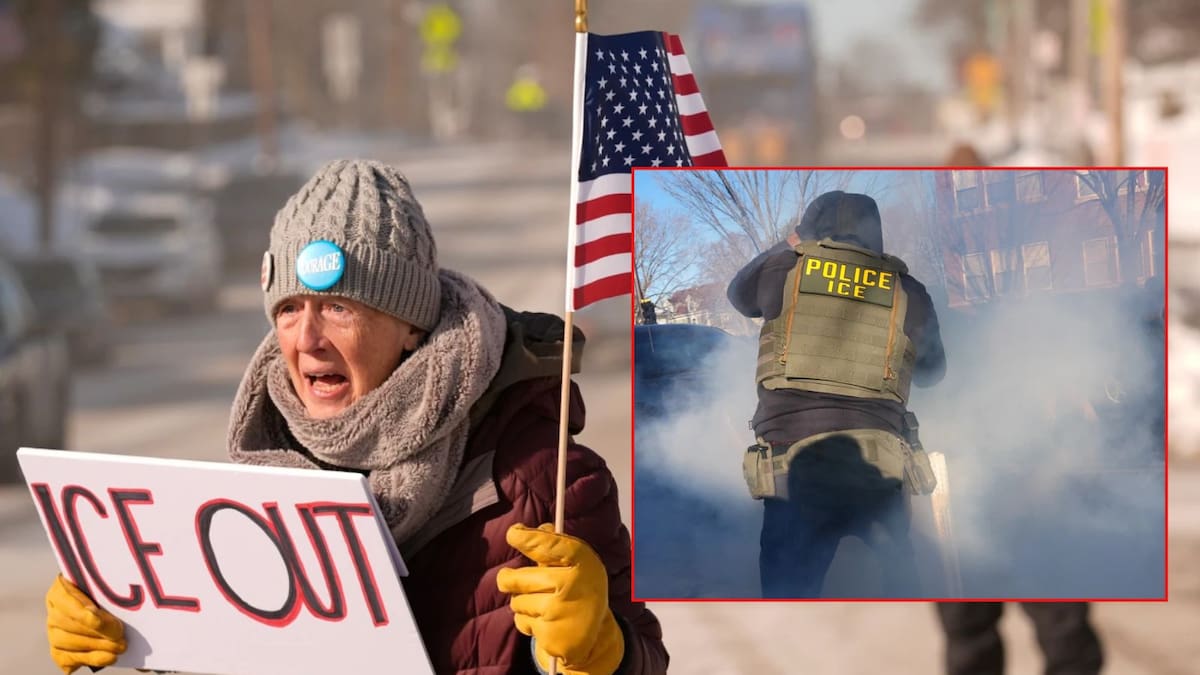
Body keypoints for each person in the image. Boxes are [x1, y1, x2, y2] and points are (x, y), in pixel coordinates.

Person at [41, 159, 668, 675]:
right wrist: (131, 639)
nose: (307, 338)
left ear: (409, 326)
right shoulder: (248, 489)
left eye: (339, 307)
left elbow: (642, 661)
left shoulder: (545, 483)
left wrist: (606, 655)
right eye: (289, 308)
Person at [727, 190, 947, 598]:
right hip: (878, 465)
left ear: (807, 230)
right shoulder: (908, 291)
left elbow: (738, 295)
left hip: (793, 467)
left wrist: (790, 243)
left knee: (789, 600)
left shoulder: (781, 270)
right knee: (901, 591)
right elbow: (934, 373)